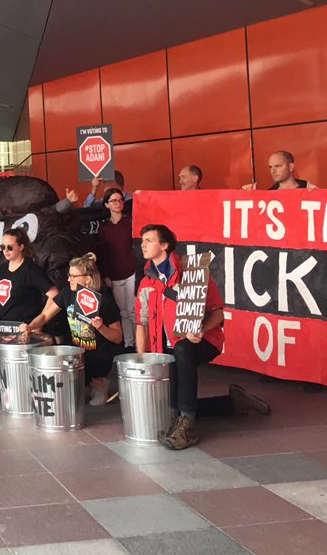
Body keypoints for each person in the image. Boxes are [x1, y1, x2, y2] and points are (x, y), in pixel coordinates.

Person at [135, 224, 270, 450]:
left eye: (149, 240)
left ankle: (187, 428)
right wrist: (142, 358)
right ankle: (232, 403)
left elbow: (218, 313)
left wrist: (201, 329)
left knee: (182, 351)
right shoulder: (146, 282)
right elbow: (142, 322)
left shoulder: (192, 272)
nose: (143, 245)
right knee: (174, 402)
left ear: (165, 245)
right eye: (142, 241)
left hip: (203, 340)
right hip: (166, 349)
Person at [28, 253, 124, 405]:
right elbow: (45, 315)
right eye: (69, 275)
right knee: (68, 395)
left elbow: (118, 337)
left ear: (88, 279)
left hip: (98, 354)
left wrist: (101, 327)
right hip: (76, 351)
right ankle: (83, 383)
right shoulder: (68, 292)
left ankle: (99, 382)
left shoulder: (105, 300)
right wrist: (30, 326)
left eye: (73, 276)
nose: (68, 279)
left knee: (91, 399)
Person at [0, 227, 58, 335]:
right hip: (4, 329)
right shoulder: (1, 270)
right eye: (3, 247)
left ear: (21, 247)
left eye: (10, 247)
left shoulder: (30, 269)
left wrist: (39, 322)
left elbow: (54, 294)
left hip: (26, 329)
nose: (5, 250)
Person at [96, 188, 136, 348]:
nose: (118, 203)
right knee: (123, 312)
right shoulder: (104, 227)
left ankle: (139, 345)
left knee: (133, 310)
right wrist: (105, 275)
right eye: (114, 201)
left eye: (120, 200)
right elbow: (103, 253)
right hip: (114, 274)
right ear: (107, 204)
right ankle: (128, 344)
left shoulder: (130, 222)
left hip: (131, 271)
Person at [243, 150, 316, 191]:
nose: (273, 171)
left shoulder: (308, 188)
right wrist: (250, 197)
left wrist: (316, 194)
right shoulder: (269, 194)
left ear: (291, 167)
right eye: (270, 167)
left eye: (277, 166)